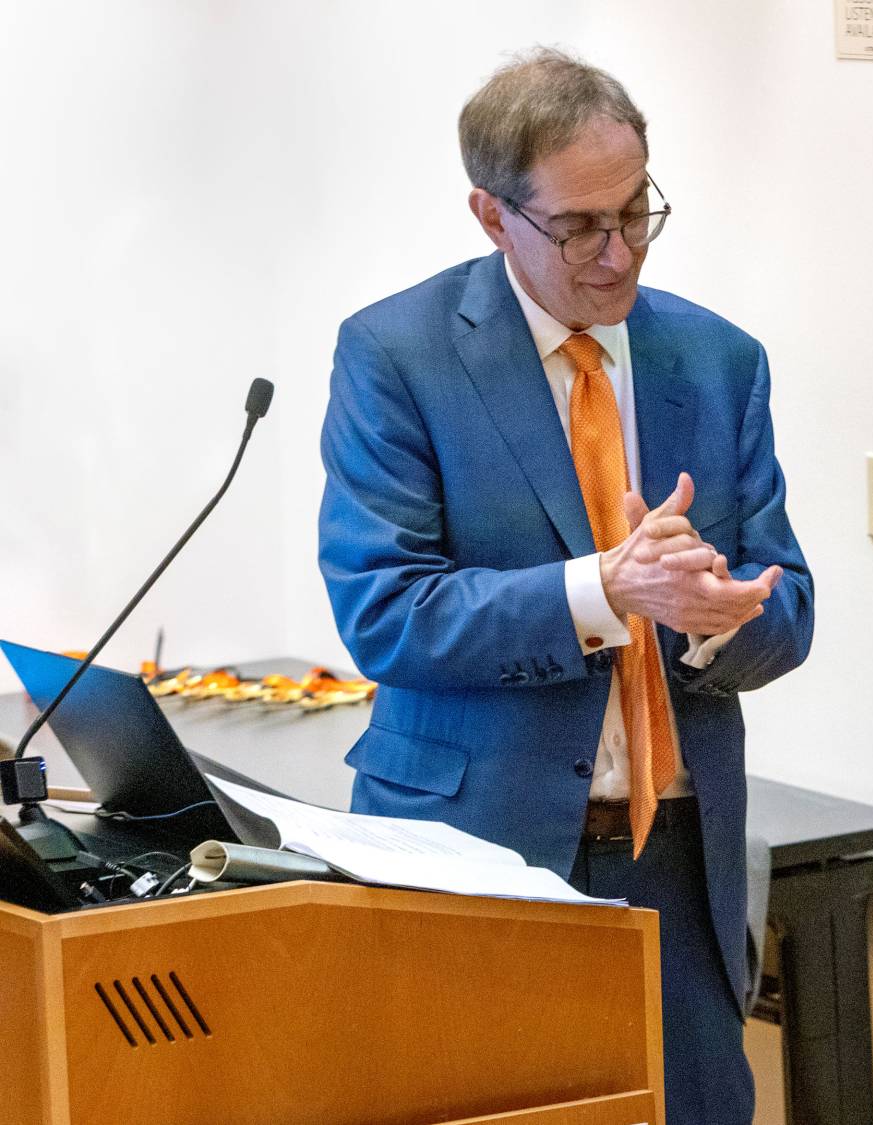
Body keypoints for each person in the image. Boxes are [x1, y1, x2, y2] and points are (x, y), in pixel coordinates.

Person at [317, 48, 812, 1125]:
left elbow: (791, 604)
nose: (617, 250)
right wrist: (604, 590)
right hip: (473, 853)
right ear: (493, 217)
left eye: (637, 211)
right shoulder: (397, 356)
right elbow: (385, 612)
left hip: (674, 859)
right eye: (581, 225)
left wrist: (718, 622)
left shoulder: (719, 360)